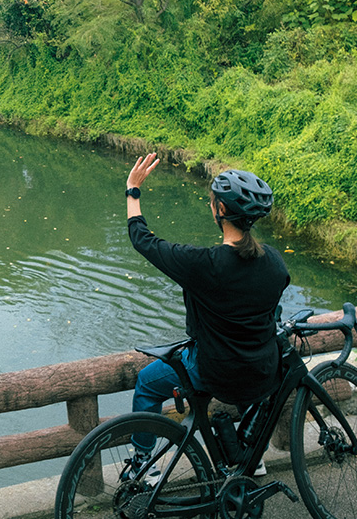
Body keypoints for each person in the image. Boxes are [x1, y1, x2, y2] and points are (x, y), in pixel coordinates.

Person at [124, 153, 289, 477]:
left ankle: (144, 463)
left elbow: (142, 239)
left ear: (221, 211)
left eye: (212, 201)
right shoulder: (274, 262)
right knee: (254, 380)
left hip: (213, 370)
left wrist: (133, 190)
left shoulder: (203, 265)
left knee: (146, 383)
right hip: (260, 369)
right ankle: (252, 458)